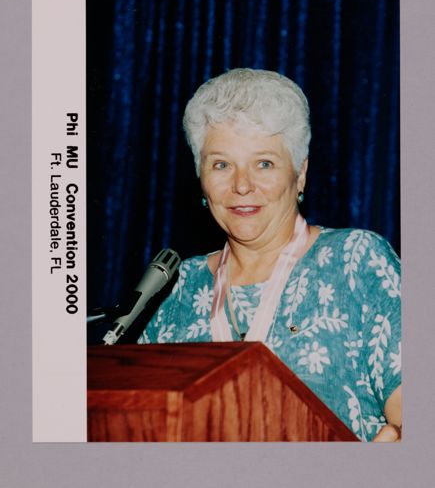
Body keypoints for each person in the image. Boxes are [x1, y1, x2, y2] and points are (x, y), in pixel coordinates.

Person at [138, 68, 401, 442]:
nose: (242, 185)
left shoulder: (356, 262)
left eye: (264, 163)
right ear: (201, 178)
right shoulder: (175, 291)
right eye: (221, 165)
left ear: (301, 174)